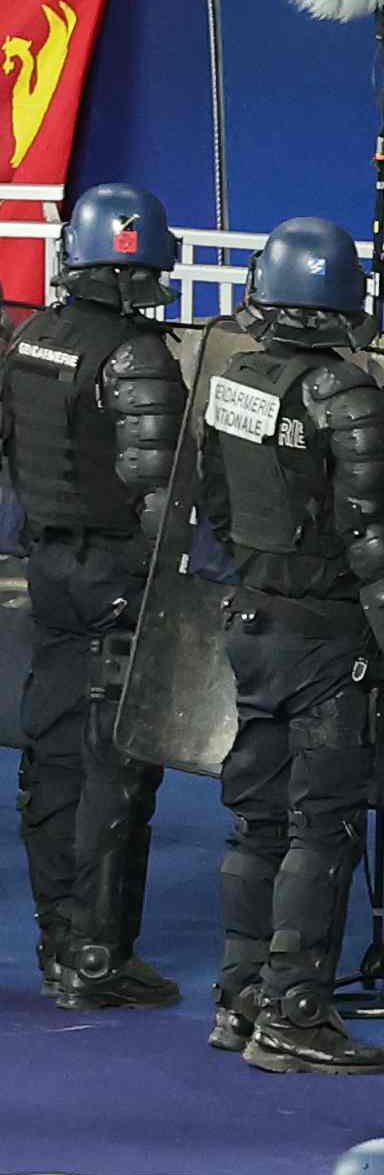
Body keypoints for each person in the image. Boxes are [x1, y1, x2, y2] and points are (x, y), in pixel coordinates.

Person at [189, 215, 384, 1079]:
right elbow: (370, 534)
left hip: (253, 621)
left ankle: (240, 995)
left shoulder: (232, 380)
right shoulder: (347, 395)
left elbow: (213, 503)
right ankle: (297, 1011)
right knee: (320, 827)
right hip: (329, 637)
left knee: (254, 820)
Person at [4, 177, 188, 1012]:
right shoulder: (135, 356)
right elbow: (160, 493)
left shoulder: (29, 338)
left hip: (49, 574)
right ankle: (94, 954)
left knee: (51, 758)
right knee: (116, 768)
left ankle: (62, 942)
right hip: (117, 578)